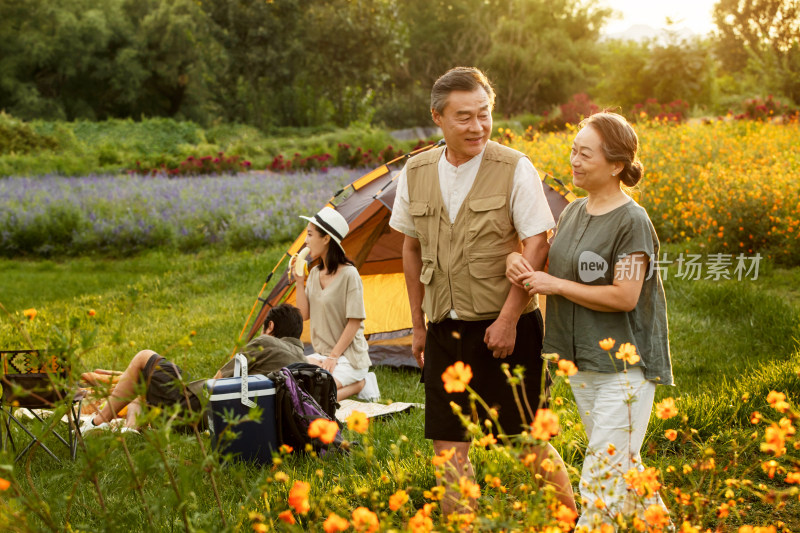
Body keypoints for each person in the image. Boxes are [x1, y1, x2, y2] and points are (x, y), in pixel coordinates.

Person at [389, 66, 576, 516]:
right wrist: (418, 324)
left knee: (527, 443)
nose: (477, 127)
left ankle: (569, 521)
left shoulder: (514, 167)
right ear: (438, 117)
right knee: (447, 451)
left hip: (505, 328)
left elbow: (537, 243)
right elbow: (410, 248)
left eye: (484, 114)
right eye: (464, 117)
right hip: (443, 330)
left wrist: (509, 319)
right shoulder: (414, 171)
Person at [506, 112, 673, 527]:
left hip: (625, 366)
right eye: (573, 151)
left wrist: (555, 286)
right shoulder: (574, 212)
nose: (574, 161)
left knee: (600, 474)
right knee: (623, 466)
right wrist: (516, 260)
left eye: (585, 153)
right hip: (581, 361)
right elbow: (545, 261)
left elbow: (625, 295)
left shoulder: (632, 221)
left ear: (616, 164)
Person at [80, 303, 307, 433]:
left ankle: (95, 424)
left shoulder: (267, 342)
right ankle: (131, 430)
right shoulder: (304, 363)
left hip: (202, 411)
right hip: (236, 420)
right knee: (141, 396)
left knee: (144, 357)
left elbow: (218, 381)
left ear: (270, 326)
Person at [291, 206, 378, 402]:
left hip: (348, 358)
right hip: (321, 355)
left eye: (310, 235)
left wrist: (334, 357)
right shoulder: (313, 274)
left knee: (318, 398)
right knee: (291, 379)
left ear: (326, 238)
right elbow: (303, 315)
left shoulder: (349, 275)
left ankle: (361, 383)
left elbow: (354, 322)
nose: (305, 241)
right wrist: (299, 280)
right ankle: (348, 383)